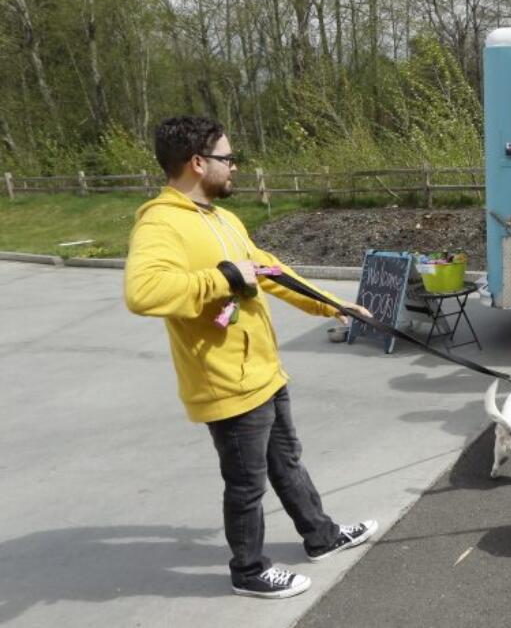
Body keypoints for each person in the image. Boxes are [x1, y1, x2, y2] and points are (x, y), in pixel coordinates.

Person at [124, 116, 377, 599]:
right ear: (198, 163)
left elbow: (269, 269)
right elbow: (143, 292)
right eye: (227, 158)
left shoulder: (223, 218)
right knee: (246, 486)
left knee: (287, 463)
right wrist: (223, 278)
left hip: (263, 371)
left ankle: (321, 537)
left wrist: (331, 303)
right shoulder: (161, 221)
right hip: (226, 383)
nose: (235, 167)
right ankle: (249, 570)